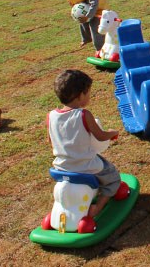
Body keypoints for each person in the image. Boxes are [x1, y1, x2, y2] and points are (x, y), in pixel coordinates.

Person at [47, 69, 120, 218]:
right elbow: (100, 137)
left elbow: (51, 142)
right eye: (88, 93)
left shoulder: (51, 116)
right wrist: (112, 133)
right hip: (85, 166)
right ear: (80, 95)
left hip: (62, 167)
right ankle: (97, 208)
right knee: (113, 177)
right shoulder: (83, 115)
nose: (89, 96)